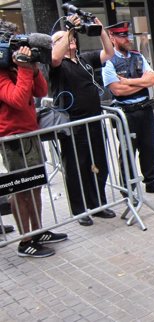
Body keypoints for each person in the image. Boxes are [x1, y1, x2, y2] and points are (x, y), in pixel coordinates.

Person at [0, 29, 67, 256]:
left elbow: (41, 90)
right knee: (20, 190)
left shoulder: (19, 68)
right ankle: (25, 240)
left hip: (30, 134)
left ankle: (38, 231)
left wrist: (33, 66)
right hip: (12, 140)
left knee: (35, 185)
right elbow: (18, 100)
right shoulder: (1, 73)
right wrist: (24, 68)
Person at [51, 14, 116, 226]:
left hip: (94, 121)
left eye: (71, 37)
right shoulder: (56, 65)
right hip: (73, 125)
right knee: (76, 169)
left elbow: (109, 53)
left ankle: (97, 204)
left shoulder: (84, 59)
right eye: (63, 38)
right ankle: (80, 211)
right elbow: (54, 58)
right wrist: (68, 29)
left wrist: (101, 31)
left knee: (98, 164)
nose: (70, 40)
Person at [102, 21, 154, 196]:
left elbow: (153, 80)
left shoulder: (137, 56)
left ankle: (151, 182)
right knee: (127, 149)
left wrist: (128, 82)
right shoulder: (108, 61)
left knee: (148, 147)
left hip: (144, 109)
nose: (127, 38)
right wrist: (141, 83)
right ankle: (127, 186)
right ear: (112, 38)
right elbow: (117, 89)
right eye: (122, 36)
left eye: (127, 35)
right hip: (125, 113)